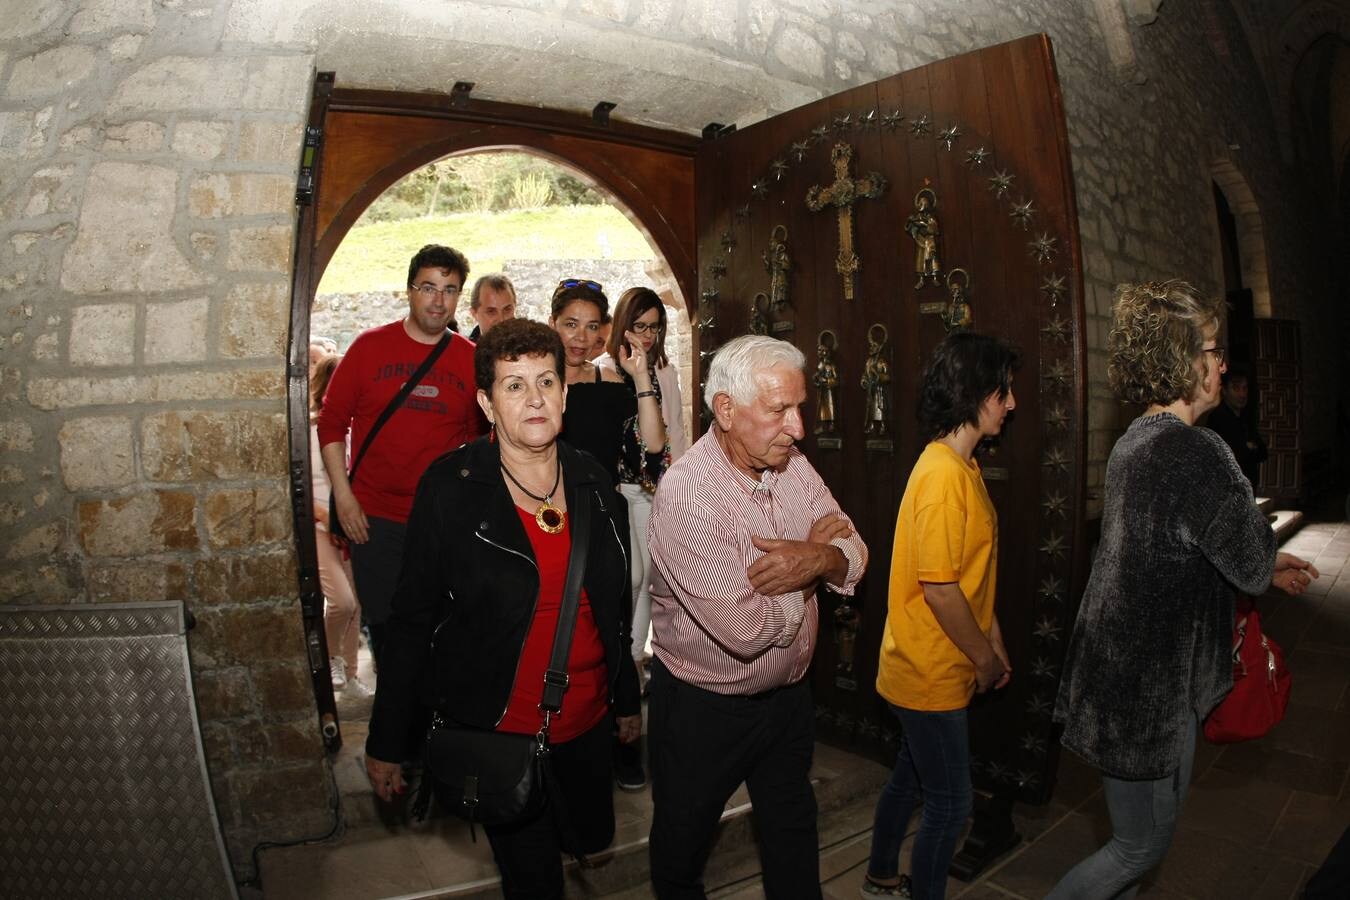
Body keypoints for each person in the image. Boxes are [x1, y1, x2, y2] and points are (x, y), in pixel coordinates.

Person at [1048, 280, 1318, 899]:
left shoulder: (1134, 442)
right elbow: (1245, 563)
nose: (1222, 364)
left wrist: (1268, 561)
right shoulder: (1198, 451)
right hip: (1148, 690)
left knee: (1142, 845)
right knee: (1138, 847)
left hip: (1122, 677)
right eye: (1213, 350)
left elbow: (1189, 546)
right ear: (1181, 359)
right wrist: (1263, 556)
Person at [365, 319, 642, 899]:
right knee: (535, 882)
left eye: (547, 380)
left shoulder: (596, 485)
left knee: (587, 843)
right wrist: (389, 739)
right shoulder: (451, 489)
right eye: (514, 386)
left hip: (587, 728)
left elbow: (613, 612)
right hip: (501, 731)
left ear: (566, 392)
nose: (535, 398)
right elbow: (413, 620)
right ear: (487, 404)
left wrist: (625, 700)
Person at [646, 334, 869, 899]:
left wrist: (816, 558)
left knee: (793, 833)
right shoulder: (686, 495)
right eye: (779, 411)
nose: (798, 428)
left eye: (799, 408)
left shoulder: (790, 465)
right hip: (704, 711)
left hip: (789, 699)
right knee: (681, 851)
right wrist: (812, 574)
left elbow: (857, 555)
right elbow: (746, 631)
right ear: (726, 409)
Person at [861, 331, 1019, 900]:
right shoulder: (942, 478)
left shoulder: (961, 468)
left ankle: (881, 874)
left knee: (909, 778)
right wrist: (982, 659)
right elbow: (942, 591)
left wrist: (993, 641)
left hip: (930, 665)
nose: (1011, 403)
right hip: (930, 671)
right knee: (951, 805)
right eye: (1004, 391)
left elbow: (971, 577)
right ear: (976, 393)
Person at [317, 243, 484, 670]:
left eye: (449, 289)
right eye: (428, 287)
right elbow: (332, 424)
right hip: (375, 521)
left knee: (438, 630)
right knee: (388, 633)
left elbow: (475, 444)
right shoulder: (369, 348)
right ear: (409, 291)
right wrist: (345, 496)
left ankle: (431, 727)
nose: (438, 299)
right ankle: (396, 727)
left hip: (439, 522)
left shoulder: (469, 359)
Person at [550, 278, 667, 792]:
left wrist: (640, 376)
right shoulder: (538, 382)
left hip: (605, 516)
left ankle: (625, 739)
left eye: (592, 325)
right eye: (570, 324)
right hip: (552, 519)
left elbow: (655, 449)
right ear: (553, 325)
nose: (581, 336)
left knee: (617, 626)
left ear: (605, 332)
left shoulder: (613, 387)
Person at [595, 288, 689, 671]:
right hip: (622, 486)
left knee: (653, 575)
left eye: (655, 327)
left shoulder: (665, 369)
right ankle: (622, 653)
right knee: (632, 575)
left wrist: (681, 483)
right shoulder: (602, 368)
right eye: (639, 326)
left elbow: (677, 430)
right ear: (623, 325)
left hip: (660, 485)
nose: (648, 336)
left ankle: (635, 657)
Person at [309, 353, 370, 696]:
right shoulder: (313, 429)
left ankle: (350, 673)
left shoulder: (357, 427)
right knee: (342, 601)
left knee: (357, 603)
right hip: (321, 526)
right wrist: (326, 516)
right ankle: (330, 658)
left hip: (350, 525)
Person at [1203, 365, 1267, 488]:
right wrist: (1249, 448)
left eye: (1245, 388)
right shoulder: (1218, 418)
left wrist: (1250, 448)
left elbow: (1263, 452)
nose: (1242, 394)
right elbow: (1230, 457)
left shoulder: (1246, 417)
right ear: (1225, 391)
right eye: (1236, 388)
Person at [465, 272, 517, 341]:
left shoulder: (532, 348)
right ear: (474, 314)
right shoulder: (463, 351)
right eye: (491, 312)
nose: (501, 320)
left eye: (507, 309)